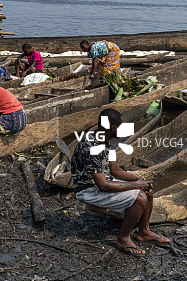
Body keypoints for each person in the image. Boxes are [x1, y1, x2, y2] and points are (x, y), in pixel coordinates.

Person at [70, 108, 170, 255]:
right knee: (139, 197)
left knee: (147, 190)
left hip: (102, 183)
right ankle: (123, 238)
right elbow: (102, 185)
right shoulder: (91, 145)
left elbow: (114, 169)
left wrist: (139, 180)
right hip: (88, 190)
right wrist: (135, 186)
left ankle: (144, 232)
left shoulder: (104, 139)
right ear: (114, 128)